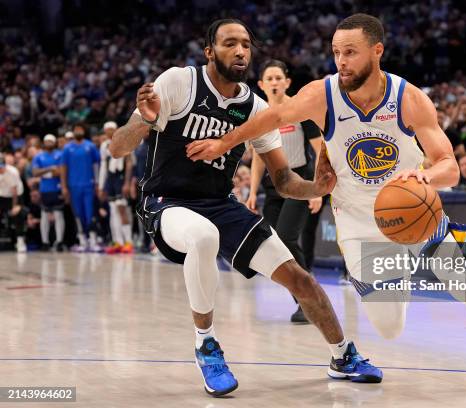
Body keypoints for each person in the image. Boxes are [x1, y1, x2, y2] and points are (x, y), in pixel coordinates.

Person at [187, 13, 466, 395]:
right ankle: (400, 269)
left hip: (415, 211)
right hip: (360, 223)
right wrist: (225, 143)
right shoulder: (321, 94)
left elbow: (450, 167)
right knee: (389, 327)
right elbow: (272, 117)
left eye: (351, 53)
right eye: (336, 53)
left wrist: (425, 177)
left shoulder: (408, 98)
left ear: (377, 51)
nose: (341, 62)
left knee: (464, 282)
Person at [109, 19, 381, 398]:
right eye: (230, 44)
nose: (240, 51)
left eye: (246, 45)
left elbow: (284, 182)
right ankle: (206, 344)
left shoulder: (254, 108)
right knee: (203, 237)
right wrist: (147, 123)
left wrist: (317, 188)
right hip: (166, 203)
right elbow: (117, 147)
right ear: (209, 52)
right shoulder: (177, 83)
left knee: (299, 279)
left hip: (221, 205)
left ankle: (342, 355)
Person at [246, 59, 324, 323]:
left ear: (287, 82)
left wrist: (317, 190)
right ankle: (305, 298)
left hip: (300, 183)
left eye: (279, 78)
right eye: (270, 79)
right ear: (261, 85)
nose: (275, 82)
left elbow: (320, 150)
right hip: (272, 189)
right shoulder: (260, 115)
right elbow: (258, 157)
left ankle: (309, 301)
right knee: (274, 248)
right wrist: (252, 192)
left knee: (288, 238)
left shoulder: (300, 110)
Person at [60, 123, 101, 251]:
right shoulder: (67, 148)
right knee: (78, 214)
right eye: (76, 129)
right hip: (73, 186)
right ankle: (82, 240)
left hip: (88, 185)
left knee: (90, 213)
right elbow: (63, 168)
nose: (78, 131)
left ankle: (93, 240)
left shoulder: (90, 146)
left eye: (80, 129)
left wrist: (97, 183)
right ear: (73, 132)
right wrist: (64, 186)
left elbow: (96, 166)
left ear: (84, 131)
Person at [99, 121, 134, 254]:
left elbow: (129, 162)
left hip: (120, 177)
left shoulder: (124, 141)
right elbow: (103, 165)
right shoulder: (104, 145)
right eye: (107, 129)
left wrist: (126, 182)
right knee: (113, 211)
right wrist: (102, 185)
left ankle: (128, 241)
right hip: (111, 178)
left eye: (111, 129)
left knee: (122, 209)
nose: (109, 131)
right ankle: (118, 242)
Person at [31, 134, 65, 251]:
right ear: (44, 143)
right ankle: (45, 242)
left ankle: (59, 241)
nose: (49, 143)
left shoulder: (60, 154)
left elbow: (61, 171)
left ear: (54, 143)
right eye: (47, 141)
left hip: (57, 188)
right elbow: (35, 173)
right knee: (44, 215)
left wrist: (44, 172)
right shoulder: (38, 156)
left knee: (58, 215)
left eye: (51, 141)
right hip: (44, 189)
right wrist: (50, 169)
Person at [0, 153, 27, 252]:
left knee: (18, 213)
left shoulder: (12, 172)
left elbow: (14, 191)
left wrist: (15, 206)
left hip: (14, 196)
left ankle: (20, 241)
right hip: (1, 195)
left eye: (2, 167)